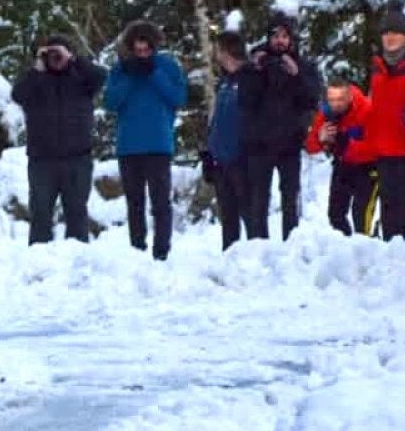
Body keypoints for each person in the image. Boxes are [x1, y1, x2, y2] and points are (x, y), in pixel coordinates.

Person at [102, 20, 187, 259]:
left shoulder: (167, 66)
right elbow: (110, 102)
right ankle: (137, 249)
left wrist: (153, 73)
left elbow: (178, 97)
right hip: (129, 146)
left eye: (146, 49)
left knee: (161, 202)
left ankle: (162, 251)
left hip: (159, 144)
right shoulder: (121, 70)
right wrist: (130, 75)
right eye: (137, 50)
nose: (142, 54)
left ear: (154, 46)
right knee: (134, 203)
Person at [13, 37, 107, 243]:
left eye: (59, 54)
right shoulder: (35, 80)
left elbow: (101, 77)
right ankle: (39, 258)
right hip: (42, 159)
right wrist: (37, 68)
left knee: (76, 213)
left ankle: (78, 259)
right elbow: (18, 95)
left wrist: (73, 59)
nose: (55, 58)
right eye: (51, 54)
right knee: (40, 213)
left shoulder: (81, 78)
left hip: (78, 158)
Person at [239, 12, 323, 240]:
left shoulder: (303, 66)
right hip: (259, 145)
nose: (280, 41)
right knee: (259, 199)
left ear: (291, 39)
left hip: (290, 144)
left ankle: (291, 244)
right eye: (275, 36)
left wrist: (296, 76)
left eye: (284, 36)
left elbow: (312, 99)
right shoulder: (254, 66)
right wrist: (256, 73)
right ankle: (258, 244)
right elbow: (245, 101)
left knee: (290, 197)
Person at [365, 9, 405, 242]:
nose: (390, 38)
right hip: (383, 151)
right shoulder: (377, 68)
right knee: (388, 208)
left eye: (396, 33)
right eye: (386, 33)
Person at [306, 79, 377, 235]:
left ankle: (367, 248)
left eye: (340, 100)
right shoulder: (326, 113)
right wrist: (320, 137)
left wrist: (345, 141)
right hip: (343, 165)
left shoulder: (366, 109)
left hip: (368, 167)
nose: (336, 104)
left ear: (350, 96)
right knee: (335, 214)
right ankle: (345, 247)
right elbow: (311, 147)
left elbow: (375, 145)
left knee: (360, 215)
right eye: (332, 100)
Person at [204, 32, 250, 250]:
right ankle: (229, 256)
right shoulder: (224, 82)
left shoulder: (249, 79)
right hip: (221, 160)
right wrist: (209, 152)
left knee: (249, 214)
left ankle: (256, 258)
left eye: (218, 49)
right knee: (228, 217)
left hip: (243, 160)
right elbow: (217, 121)